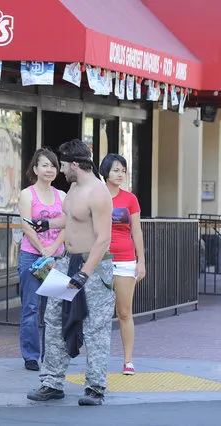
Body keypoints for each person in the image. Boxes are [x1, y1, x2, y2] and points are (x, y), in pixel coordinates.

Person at [26, 139, 114, 406]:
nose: (60, 170)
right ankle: (51, 382)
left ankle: (95, 388)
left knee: (95, 328)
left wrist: (85, 274)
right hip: (66, 262)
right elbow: (72, 218)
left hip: (94, 268)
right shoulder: (74, 187)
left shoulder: (99, 193)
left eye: (63, 165)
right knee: (52, 320)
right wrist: (46, 223)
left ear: (76, 164)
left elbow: (103, 240)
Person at [18, 148, 65, 372]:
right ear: (35, 168)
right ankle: (30, 355)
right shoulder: (27, 194)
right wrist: (42, 249)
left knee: (54, 309)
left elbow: (68, 225)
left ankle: (51, 355)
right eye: (44, 165)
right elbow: (26, 225)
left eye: (53, 165)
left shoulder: (62, 196)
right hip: (31, 256)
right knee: (31, 307)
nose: (49, 170)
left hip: (57, 257)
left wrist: (54, 248)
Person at [99, 154, 145, 375]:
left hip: (125, 260)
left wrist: (141, 261)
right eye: (116, 170)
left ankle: (128, 361)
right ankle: (98, 359)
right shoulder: (96, 196)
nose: (120, 174)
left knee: (124, 312)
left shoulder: (130, 199)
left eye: (123, 170)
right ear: (105, 171)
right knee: (98, 313)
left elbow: (136, 231)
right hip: (99, 260)